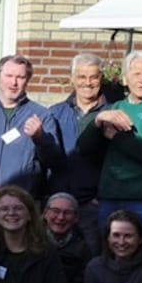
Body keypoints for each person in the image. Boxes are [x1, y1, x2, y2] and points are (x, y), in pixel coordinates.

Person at [79, 50, 142, 255]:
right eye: (136, 74)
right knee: (108, 261)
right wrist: (98, 120)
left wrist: (117, 137)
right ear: (125, 79)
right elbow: (84, 146)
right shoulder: (115, 108)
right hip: (110, 200)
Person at [0, 55, 61, 203]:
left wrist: (40, 138)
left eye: (20, 77)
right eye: (9, 76)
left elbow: (55, 163)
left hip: (22, 205)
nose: (14, 82)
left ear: (28, 80)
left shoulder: (42, 116)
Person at [50, 53, 112, 255]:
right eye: (82, 77)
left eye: (93, 77)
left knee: (93, 258)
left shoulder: (113, 112)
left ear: (101, 79)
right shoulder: (55, 113)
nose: (88, 83)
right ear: (72, 79)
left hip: (93, 204)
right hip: (58, 204)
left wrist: (101, 196)